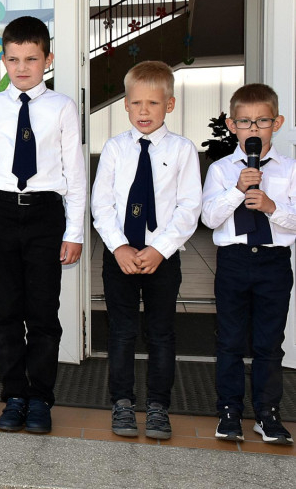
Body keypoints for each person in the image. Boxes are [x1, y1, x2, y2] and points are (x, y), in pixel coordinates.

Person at [0, 16, 86, 434]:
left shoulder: (62, 107)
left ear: (47, 60)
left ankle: (40, 398)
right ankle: (14, 394)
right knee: (5, 312)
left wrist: (74, 232)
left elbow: (75, 174)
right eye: (14, 59)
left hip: (45, 215)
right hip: (0, 214)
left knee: (42, 311)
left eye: (31, 59)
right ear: (3, 60)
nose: (22, 67)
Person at [91, 61, 202, 440]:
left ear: (169, 105)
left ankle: (158, 406)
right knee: (121, 332)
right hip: (119, 255)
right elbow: (101, 204)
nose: (143, 111)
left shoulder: (183, 150)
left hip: (163, 258)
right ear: (125, 104)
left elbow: (189, 208)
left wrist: (160, 249)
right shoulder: (115, 149)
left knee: (161, 333)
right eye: (136, 102)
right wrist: (119, 247)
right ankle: (122, 402)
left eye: (153, 103)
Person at [201, 83, 294, 445]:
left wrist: (272, 207)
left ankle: (267, 413)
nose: (253, 129)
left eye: (262, 121)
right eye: (245, 122)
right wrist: (237, 190)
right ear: (231, 124)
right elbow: (209, 218)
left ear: (277, 123)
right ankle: (229, 411)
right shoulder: (221, 170)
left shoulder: (290, 169)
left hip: (274, 262)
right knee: (229, 340)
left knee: (269, 341)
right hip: (234, 261)